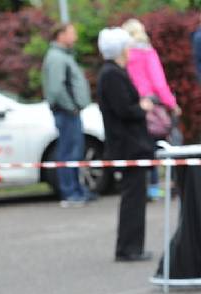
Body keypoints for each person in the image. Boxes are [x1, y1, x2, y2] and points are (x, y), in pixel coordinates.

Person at [97, 27, 154, 262]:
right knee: (133, 198)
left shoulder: (113, 72)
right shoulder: (112, 74)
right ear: (120, 49)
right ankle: (129, 248)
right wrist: (142, 108)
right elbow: (123, 110)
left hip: (129, 143)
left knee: (135, 197)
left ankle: (132, 246)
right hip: (128, 145)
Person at [122, 18, 181, 200]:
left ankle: (148, 187)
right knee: (168, 142)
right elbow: (158, 82)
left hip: (133, 104)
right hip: (151, 104)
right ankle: (170, 184)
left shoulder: (124, 55)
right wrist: (172, 104)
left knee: (142, 147)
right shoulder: (147, 53)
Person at [41, 23, 94, 207]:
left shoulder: (62, 56)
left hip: (69, 111)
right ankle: (70, 192)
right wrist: (71, 107)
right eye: (72, 33)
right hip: (67, 113)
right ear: (61, 35)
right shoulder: (57, 58)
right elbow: (56, 89)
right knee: (69, 152)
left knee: (74, 152)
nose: (75, 37)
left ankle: (77, 190)